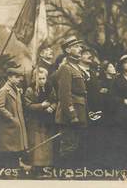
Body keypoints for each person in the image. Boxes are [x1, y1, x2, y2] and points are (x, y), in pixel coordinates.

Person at [54, 36, 88, 167]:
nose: (80, 49)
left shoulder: (76, 67)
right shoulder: (66, 68)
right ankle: (64, 174)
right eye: (76, 46)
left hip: (80, 112)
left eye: (80, 46)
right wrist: (72, 114)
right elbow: (64, 95)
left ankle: (70, 173)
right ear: (68, 50)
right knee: (68, 145)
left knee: (75, 145)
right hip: (70, 115)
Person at [24, 67, 57, 171]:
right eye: (39, 79)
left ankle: (47, 164)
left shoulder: (50, 88)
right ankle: (36, 164)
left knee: (47, 142)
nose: (42, 81)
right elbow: (27, 105)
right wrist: (41, 105)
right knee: (37, 142)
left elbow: (55, 100)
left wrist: (52, 107)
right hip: (35, 120)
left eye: (43, 78)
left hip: (47, 120)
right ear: (35, 79)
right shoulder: (30, 90)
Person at [0, 67, 28, 168]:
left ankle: (15, 166)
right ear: (9, 78)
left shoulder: (16, 90)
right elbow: (0, 107)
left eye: (20, 77)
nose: (19, 79)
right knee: (9, 149)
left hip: (16, 125)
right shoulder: (4, 91)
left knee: (16, 148)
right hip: (9, 126)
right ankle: (9, 169)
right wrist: (11, 117)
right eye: (16, 77)